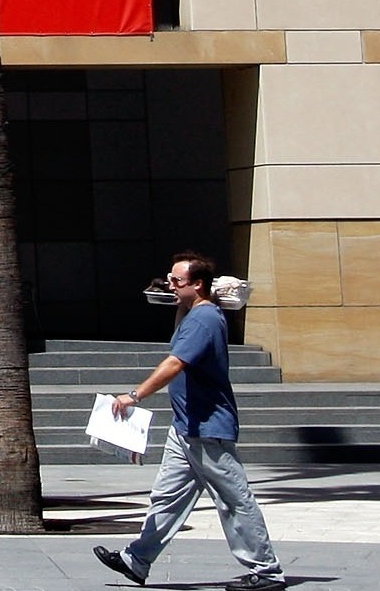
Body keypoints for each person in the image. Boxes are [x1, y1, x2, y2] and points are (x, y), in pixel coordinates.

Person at [93, 253, 285, 590]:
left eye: (176, 281)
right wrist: (178, 299)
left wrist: (134, 396)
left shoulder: (205, 320)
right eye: (170, 278)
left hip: (207, 428)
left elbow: (174, 364)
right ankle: (136, 560)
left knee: (234, 500)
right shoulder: (194, 314)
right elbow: (181, 333)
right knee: (166, 498)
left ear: (198, 285)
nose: (169, 284)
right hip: (186, 428)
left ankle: (266, 572)